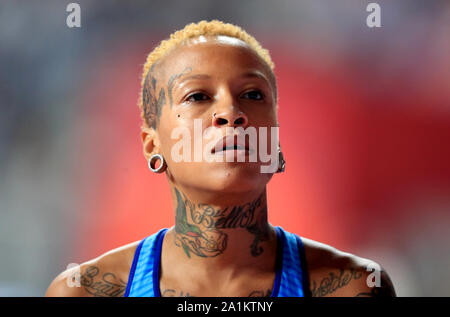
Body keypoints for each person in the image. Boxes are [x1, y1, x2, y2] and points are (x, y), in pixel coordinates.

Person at [45, 20, 396, 297]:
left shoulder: (355, 287)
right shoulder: (84, 291)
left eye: (253, 94)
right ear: (153, 146)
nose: (230, 111)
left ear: (275, 142)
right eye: (198, 96)